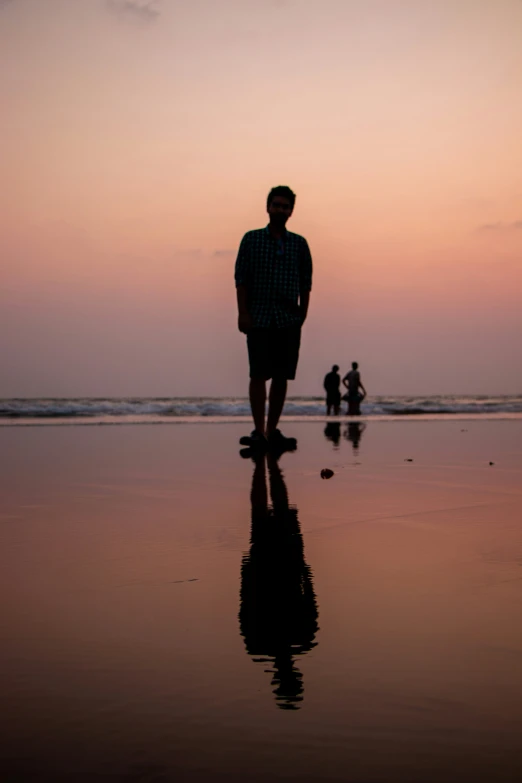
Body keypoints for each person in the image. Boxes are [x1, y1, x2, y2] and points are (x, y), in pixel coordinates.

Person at [235, 186, 313, 452]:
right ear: (267, 207)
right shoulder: (251, 239)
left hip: (288, 319)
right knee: (258, 374)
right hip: (258, 317)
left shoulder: (299, 244)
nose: (281, 209)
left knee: (281, 376)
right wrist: (242, 312)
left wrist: (302, 314)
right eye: (276, 205)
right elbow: (241, 279)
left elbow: (306, 282)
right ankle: (258, 431)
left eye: (285, 206)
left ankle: (271, 431)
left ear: (291, 211)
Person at [239, 452, 319, 710]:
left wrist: (246, 574)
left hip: (271, 571)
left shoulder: (260, 644)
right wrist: (303, 564)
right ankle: (268, 471)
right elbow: (309, 595)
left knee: (263, 513)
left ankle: (265, 471)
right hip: (283, 569)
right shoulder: (301, 638)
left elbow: (246, 606)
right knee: (270, 512)